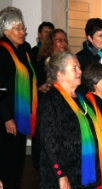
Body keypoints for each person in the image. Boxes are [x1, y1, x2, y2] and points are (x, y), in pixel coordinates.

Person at [38, 52, 100, 189]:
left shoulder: (80, 98)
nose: (80, 71)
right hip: (61, 179)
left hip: (82, 175)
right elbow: (49, 141)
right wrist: (61, 175)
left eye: (79, 67)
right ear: (60, 74)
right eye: (74, 68)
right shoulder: (51, 100)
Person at [0, 6, 37, 189]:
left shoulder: (24, 49)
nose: (23, 32)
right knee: (6, 159)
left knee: (19, 158)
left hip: (21, 113)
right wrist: (7, 118)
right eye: (18, 29)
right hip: (6, 116)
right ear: (6, 31)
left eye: (23, 28)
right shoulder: (1, 51)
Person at [31, 28, 70, 170]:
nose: (63, 43)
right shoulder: (42, 61)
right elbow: (40, 85)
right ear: (50, 42)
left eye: (65, 40)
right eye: (59, 40)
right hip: (45, 102)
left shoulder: (68, 61)